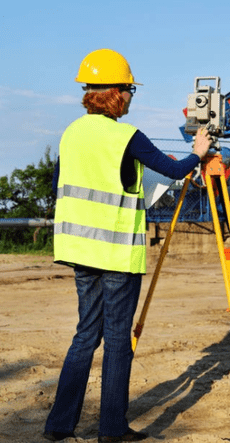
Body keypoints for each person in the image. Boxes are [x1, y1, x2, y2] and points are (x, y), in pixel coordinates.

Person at [43, 49, 211, 442]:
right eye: (130, 90)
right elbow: (173, 169)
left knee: (86, 335)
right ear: (117, 93)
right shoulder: (126, 136)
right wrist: (198, 152)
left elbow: (58, 187)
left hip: (79, 252)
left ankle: (58, 426)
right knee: (118, 341)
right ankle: (112, 429)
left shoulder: (71, 133)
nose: (132, 97)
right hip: (117, 252)